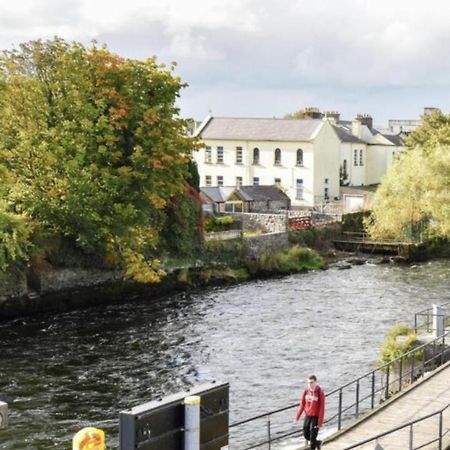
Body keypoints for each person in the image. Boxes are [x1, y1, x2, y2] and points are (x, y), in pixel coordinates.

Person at [294, 374, 325, 450]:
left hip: (316, 417)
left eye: (311, 382)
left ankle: (314, 445)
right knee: (305, 434)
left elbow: (322, 408)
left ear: (315, 382)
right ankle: (318, 443)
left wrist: (320, 422)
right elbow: (302, 404)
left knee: (312, 438)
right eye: (308, 383)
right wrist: (297, 416)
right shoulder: (306, 391)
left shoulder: (320, 392)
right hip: (308, 415)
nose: (310, 384)